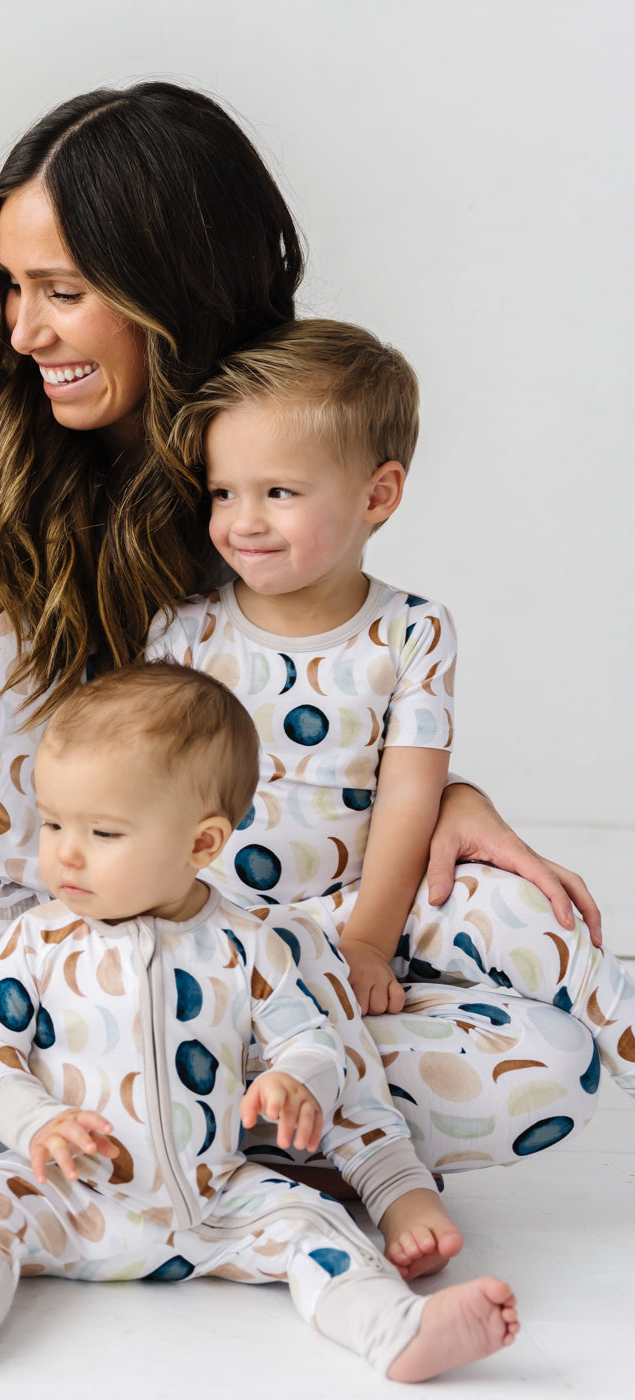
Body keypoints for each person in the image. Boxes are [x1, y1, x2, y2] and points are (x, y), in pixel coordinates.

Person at [0, 82, 601, 1236]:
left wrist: (436, 799)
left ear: (176, 292)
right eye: (12, 290)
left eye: (62, 294)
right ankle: (124, 1134)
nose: (23, 332)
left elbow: (309, 703)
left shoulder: (253, 471)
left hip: (201, 956)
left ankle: (109, 1141)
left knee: (543, 1033)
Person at [0, 664, 519, 1382]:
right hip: (69, 1194)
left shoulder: (245, 945)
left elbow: (311, 1039)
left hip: (215, 1197)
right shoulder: (39, 940)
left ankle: (395, 1330)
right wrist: (36, 1122)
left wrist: (294, 1078)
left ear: (201, 843)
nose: (65, 851)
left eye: (102, 831)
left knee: (316, 1226)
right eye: (54, 822)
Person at [144, 318, 635, 1142]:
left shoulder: (411, 630)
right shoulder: (183, 633)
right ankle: (277, 1106)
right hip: (224, 931)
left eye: (280, 492)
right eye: (224, 492)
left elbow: (412, 796)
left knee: (519, 911)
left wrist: (370, 939)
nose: (242, 521)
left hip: (368, 908)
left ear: (378, 495)